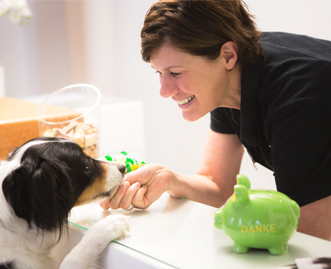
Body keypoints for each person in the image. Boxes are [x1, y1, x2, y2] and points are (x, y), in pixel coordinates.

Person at [99, 0, 331, 240]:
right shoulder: (231, 81)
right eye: (160, 73)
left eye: (175, 73)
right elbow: (218, 185)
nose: (164, 91)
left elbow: (315, 246)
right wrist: (168, 179)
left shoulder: (297, 101)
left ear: (228, 56)